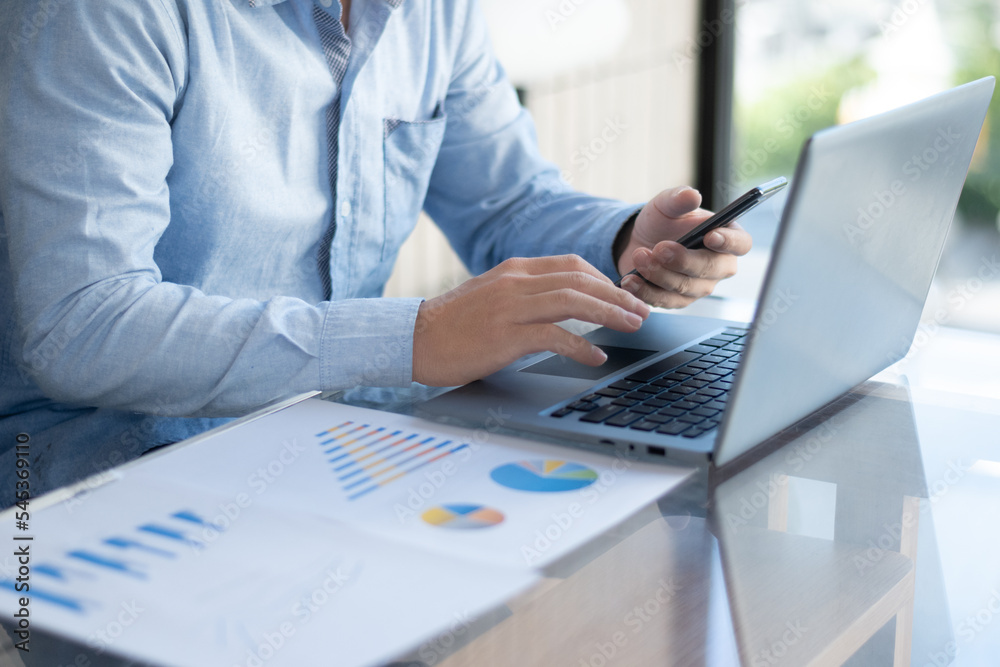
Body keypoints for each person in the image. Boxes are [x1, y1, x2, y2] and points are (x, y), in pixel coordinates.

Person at [0, 0, 751, 502]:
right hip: (103, 469)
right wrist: (417, 335)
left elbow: (506, 202)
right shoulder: (101, 15)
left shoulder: (434, 12)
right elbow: (82, 325)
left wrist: (630, 241)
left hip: (341, 430)